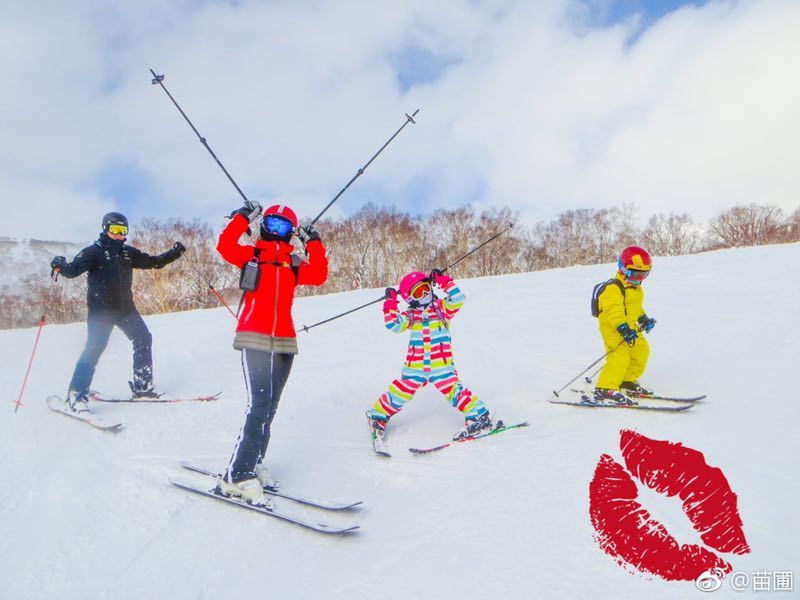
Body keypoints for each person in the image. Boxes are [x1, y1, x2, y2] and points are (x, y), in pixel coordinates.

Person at [215, 202, 328, 507]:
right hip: (255, 336)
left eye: (284, 227)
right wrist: (241, 218)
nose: (277, 231)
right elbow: (224, 246)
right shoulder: (251, 255)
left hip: (284, 342)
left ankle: (254, 462)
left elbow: (318, 274)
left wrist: (313, 242)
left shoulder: (293, 263)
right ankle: (237, 474)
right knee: (259, 406)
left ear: (291, 232)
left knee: (271, 407)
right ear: (264, 226)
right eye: (272, 224)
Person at [50, 212, 186, 413]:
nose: (120, 235)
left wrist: (174, 253)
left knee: (143, 339)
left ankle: (143, 389)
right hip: (101, 312)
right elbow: (72, 271)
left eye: (123, 231)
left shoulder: (127, 253)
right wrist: (59, 264)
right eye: (115, 230)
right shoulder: (93, 252)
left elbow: (154, 262)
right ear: (106, 229)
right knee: (93, 350)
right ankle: (75, 397)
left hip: (125, 310)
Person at [368, 269, 500, 442]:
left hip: (441, 364)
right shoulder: (411, 316)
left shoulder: (442, 309)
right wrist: (391, 302)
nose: (424, 294)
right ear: (410, 298)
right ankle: (378, 416)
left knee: (454, 391)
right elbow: (393, 325)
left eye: (426, 288)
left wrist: (442, 281)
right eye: (418, 292)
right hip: (416, 366)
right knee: (402, 391)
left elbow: (458, 298)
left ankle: (479, 416)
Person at [593, 245, 657, 403]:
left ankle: (625, 380)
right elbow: (613, 311)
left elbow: (635, 307)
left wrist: (643, 319)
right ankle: (605, 388)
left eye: (644, 274)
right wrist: (622, 327)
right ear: (623, 269)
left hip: (631, 328)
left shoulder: (636, 289)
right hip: (613, 327)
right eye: (636, 274)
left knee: (641, 351)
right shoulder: (613, 288)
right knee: (619, 356)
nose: (639, 278)